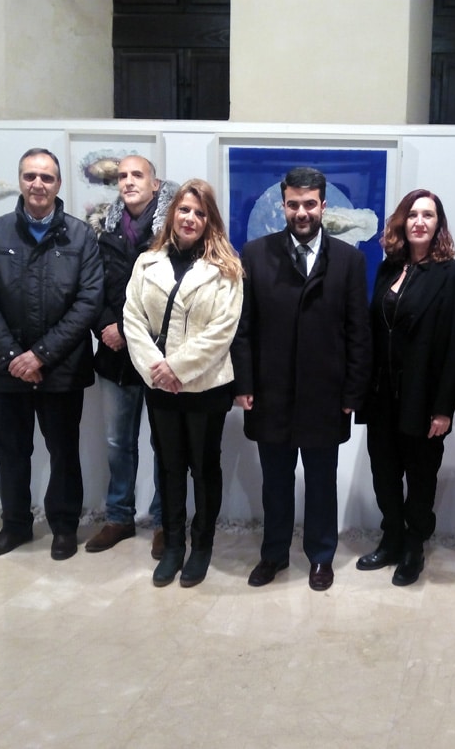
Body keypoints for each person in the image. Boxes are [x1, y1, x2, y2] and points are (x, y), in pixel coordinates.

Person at [231, 166, 372, 592]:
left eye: (310, 204)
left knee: (321, 482)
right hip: (270, 394)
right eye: (294, 204)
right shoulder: (255, 254)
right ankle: (273, 554)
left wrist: (352, 391)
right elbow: (244, 327)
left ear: (323, 206)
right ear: (283, 204)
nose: (302, 212)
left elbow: (357, 332)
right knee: (275, 483)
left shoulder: (349, 260)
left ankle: (321, 556)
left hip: (325, 395)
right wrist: (244, 384)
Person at [0, 147, 104, 561]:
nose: (38, 184)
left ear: (58, 184)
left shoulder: (82, 236)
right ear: (20, 181)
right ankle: (15, 527)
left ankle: (64, 527)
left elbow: (89, 300)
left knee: (64, 451)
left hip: (62, 367)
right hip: (6, 368)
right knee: (12, 451)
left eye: (46, 177)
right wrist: (14, 355)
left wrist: (40, 355)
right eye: (30, 176)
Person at [123, 179, 243, 587]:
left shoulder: (227, 269)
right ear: (172, 213)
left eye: (199, 212)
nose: (190, 218)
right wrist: (157, 368)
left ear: (210, 220)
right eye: (184, 210)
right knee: (169, 466)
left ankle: (201, 545)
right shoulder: (147, 262)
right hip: (160, 387)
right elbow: (132, 319)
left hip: (206, 386)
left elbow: (223, 330)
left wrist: (177, 368)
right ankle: (172, 545)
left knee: (204, 468)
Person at [355, 189, 455, 586]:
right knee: (383, 474)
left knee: (420, 480)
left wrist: (444, 408)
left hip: (424, 401)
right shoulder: (390, 268)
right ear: (402, 222)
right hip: (381, 397)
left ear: (438, 224)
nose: (420, 221)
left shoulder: (454, 275)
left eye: (429, 215)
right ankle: (391, 538)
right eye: (413, 214)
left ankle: (413, 547)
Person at [85, 155, 179, 559]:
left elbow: (174, 295)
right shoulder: (101, 230)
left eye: (137, 175)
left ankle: (164, 522)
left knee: (164, 443)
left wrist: (127, 331)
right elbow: (90, 286)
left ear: (155, 184)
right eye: (122, 176)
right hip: (113, 356)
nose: (128, 182)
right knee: (116, 443)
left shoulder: (172, 232)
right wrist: (106, 327)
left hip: (159, 355)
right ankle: (119, 517)